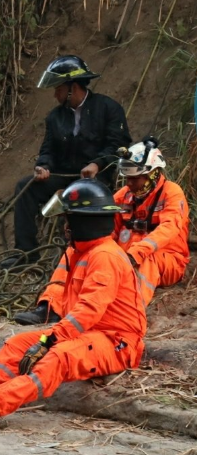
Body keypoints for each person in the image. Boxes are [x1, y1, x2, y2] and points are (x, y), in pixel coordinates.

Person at [0, 179, 146, 432]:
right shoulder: (79, 252)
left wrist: (50, 340)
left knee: (56, 357)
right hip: (87, 334)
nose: (65, 226)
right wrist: (47, 330)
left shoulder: (105, 256)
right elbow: (65, 297)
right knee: (16, 345)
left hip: (117, 342)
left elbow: (87, 312)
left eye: (69, 219)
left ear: (84, 221)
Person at [15, 137, 190, 325]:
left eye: (134, 178)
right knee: (77, 249)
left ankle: (125, 314)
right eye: (127, 178)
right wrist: (83, 238)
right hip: (124, 258)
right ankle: (50, 307)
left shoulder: (172, 192)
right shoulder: (124, 196)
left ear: (153, 174)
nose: (129, 183)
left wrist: (135, 254)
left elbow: (169, 228)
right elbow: (105, 227)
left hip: (166, 259)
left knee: (147, 259)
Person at [1, 55, 131, 270]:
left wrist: (97, 163)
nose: (55, 95)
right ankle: (25, 252)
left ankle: (80, 253)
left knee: (83, 192)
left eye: (58, 89)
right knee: (25, 186)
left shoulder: (108, 108)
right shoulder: (55, 117)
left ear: (73, 87)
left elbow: (118, 145)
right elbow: (48, 149)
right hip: (64, 175)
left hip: (94, 177)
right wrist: (43, 166)